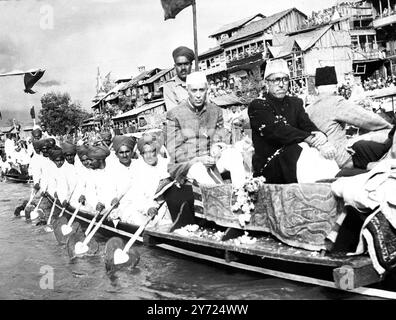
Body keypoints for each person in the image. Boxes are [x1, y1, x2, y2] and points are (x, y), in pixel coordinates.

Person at [248, 59, 339, 184]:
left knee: (318, 154)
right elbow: (278, 131)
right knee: (301, 148)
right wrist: (309, 139)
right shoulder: (258, 105)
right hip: (271, 165)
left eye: (285, 79)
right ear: (266, 83)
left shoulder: (295, 103)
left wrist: (320, 136)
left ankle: (329, 183)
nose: (281, 84)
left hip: (295, 157)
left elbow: (306, 124)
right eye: (276, 80)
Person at [306, 66, 393, 170]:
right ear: (335, 87)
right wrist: (390, 128)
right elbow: (366, 119)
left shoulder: (308, 109)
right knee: (386, 141)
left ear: (316, 89)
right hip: (341, 160)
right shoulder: (336, 102)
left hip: (318, 160)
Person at [110, 134, 171, 225]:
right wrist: (148, 208)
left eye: (152, 151)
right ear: (141, 154)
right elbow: (138, 196)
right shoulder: (137, 169)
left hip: (167, 206)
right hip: (146, 208)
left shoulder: (166, 164)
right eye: (145, 152)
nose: (149, 156)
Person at [162, 46, 194, 111]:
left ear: (191, 65)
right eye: (179, 65)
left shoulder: (198, 81)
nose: (183, 68)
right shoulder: (169, 86)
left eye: (186, 64)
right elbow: (174, 114)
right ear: (175, 66)